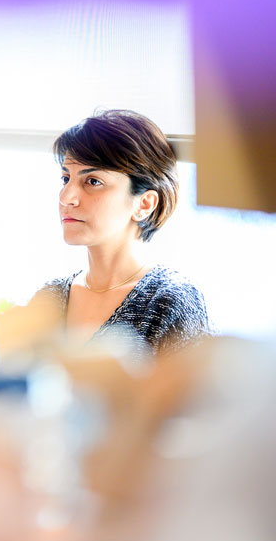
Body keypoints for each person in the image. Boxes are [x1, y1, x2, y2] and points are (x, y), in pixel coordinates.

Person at [31, 109, 209, 358]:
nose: (66, 197)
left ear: (144, 204)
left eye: (93, 181)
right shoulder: (49, 298)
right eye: (65, 178)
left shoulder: (171, 302)